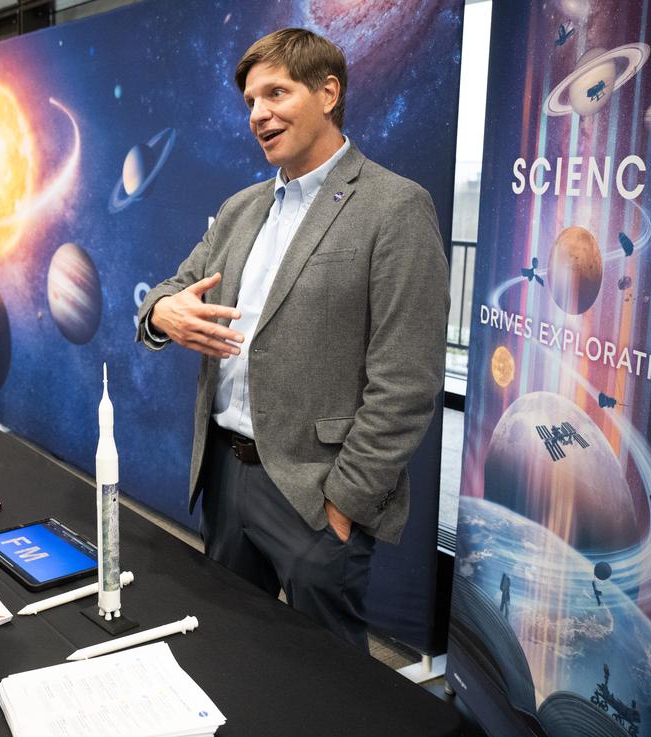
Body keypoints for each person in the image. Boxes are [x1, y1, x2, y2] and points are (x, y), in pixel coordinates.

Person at [135, 28, 449, 651]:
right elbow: (170, 289)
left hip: (315, 493)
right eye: (251, 101)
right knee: (229, 651)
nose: (258, 114)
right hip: (225, 475)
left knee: (324, 677)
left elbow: (407, 382)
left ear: (328, 93)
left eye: (276, 93)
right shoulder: (240, 208)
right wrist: (164, 312)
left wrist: (344, 504)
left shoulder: (394, 208)